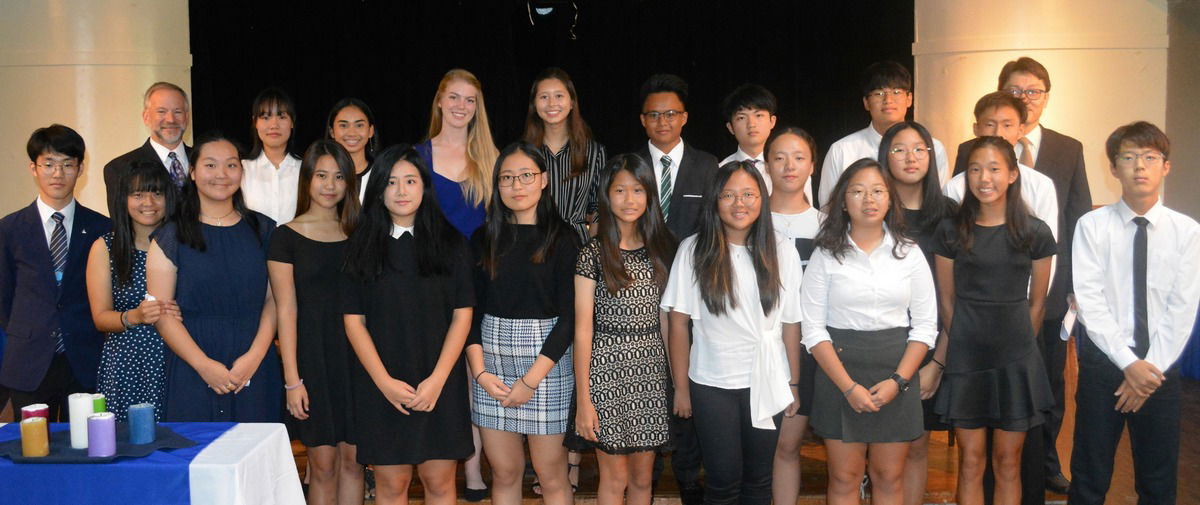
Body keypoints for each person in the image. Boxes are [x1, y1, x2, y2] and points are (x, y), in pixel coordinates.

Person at [957, 57, 1091, 497]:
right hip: (980, 308)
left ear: (1044, 100)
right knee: (985, 416)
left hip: (1043, 301)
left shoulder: (1068, 149)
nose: (1024, 98)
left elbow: (1072, 224)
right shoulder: (968, 153)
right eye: (1015, 90)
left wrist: (1065, 294)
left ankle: (1047, 466)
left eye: (1032, 91)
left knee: (1044, 393)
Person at [1069, 121, 1199, 505]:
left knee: (1158, 482)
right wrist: (1129, 363)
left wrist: (1148, 369)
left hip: (1160, 369)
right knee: (1089, 476)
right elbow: (1090, 301)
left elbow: (1183, 306)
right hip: (1103, 365)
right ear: (1113, 168)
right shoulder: (1091, 226)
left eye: (1149, 157)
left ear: (1165, 166)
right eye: (1128, 157)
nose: (1139, 166)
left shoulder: (1187, 231)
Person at [661, 160, 803, 505]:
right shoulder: (694, 250)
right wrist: (681, 388)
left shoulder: (781, 248)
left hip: (767, 379)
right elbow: (678, 324)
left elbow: (790, 324)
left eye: (748, 194)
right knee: (722, 481)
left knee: (759, 481)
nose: (739, 203)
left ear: (762, 198)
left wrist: (793, 384)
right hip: (712, 383)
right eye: (729, 195)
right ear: (714, 200)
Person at [340, 144, 474, 505]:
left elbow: (463, 315)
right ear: (379, 190)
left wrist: (438, 381)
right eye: (392, 182)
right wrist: (384, 383)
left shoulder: (452, 244)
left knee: (440, 482)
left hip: (439, 380)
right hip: (382, 384)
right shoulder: (360, 247)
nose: (401, 191)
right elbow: (354, 323)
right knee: (392, 485)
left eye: (410, 181)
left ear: (423, 187)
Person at [801, 158, 937, 505]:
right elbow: (813, 330)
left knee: (889, 477)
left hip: (896, 372)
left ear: (891, 198)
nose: (868, 199)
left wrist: (899, 382)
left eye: (877, 191)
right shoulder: (826, 254)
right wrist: (847, 387)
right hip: (839, 372)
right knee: (843, 477)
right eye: (857, 191)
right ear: (844, 201)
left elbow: (924, 328)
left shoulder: (909, 253)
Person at [932, 137, 1057, 505]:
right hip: (967, 359)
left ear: (1013, 175)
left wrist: (1017, 350)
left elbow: (1038, 305)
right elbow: (947, 300)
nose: (984, 178)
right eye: (974, 169)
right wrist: (964, 347)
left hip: (1016, 360)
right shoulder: (951, 230)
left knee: (1008, 462)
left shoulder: (1035, 232)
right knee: (970, 462)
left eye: (994, 169)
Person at [467, 143, 578, 505]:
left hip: (547, 363)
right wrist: (480, 372)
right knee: (504, 472)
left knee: (551, 475)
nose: (517, 185)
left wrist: (531, 380)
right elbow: (470, 310)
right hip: (491, 365)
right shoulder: (484, 238)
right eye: (507, 178)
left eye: (526, 176)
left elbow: (571, 317)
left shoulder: (564, 238)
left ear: (543, 180)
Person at [145, 133, 283, 422]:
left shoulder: (264, 230)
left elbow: (274, 299)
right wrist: (203, 365)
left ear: (241, 172)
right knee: (198, 458)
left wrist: (255, 355)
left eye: (231, 165)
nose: (221, 174)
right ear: (192, 173)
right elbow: (161, 312)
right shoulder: (170, 236)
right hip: (192, 363)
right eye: (210, 165)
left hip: (255, 362)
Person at [571, 154, 676, 505]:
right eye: (619, 190)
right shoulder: (593, 253)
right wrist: (584, 400)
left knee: (643, 480)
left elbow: (666, 322)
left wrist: (676, 383)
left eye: (637, 190)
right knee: (614, 479)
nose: (629, 199)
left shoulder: (663, 250)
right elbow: (583, 330)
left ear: (649, 195)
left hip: (650, 371)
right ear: (607, 195)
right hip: (606, 371)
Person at [636, 74, 716, 504]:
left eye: (670, 113)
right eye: (654, 114)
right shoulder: (629, 165)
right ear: (643, 121)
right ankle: (650, 471)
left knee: (686, 381)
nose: (663, 121)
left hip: (694, 296)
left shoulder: (708, 167)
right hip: (637, 294)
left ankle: (689, 476)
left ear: (684, 117)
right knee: (651, 383)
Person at [269, 140, 363, 505]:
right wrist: (293, 380)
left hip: (358, 360)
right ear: (307, 179)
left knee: (355, 463)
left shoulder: (360, 234)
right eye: (321, 175)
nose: (329, 184)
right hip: (313, 362)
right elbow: (285, 310)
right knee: (322, 465)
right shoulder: (285, 237)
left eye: (339, 176)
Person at [0, 124, 111, 421]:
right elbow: (5, 297)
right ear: (33, 168)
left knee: (89, 448)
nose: (58, 174)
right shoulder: (9, 229)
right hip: (29, 360)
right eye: (48, 164)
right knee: (32, 454)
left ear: (81, 168)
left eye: (67, 165)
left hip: (86, 358)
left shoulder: (102, 228)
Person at [877, 121, 958, 505]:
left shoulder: (952, 215)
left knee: (917, 446)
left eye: (919, 149)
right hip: (875, 342)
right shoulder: (871, 206)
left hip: (930, 348)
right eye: (899, 149)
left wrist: (939, 362)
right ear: (884, 156)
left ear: (931, 156)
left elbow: (956, 300)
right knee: (875, 453)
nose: (910, 157)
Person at [86, 161, 179, 421]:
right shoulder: (105, 248)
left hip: (176, 358)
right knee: (127, 445)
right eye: (138, 194)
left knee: (177, 442)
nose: (148, 202)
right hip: (126, 362)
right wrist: (134, 316)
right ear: (124, 199)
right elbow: (100, 317)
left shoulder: (184, 244)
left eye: (156, 193)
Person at [762, 126, 823, 505]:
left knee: (787, 446)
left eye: (799, 157)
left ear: (812, 166)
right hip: (757, 348)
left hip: (806, 350)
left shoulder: (827, 224)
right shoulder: (748, 219)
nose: (789, 165)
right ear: (766, 164)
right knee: (758, 447)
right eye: (779, 157)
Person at [817, 62, 949, 208]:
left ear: (909, 98)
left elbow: (939, 202)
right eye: (879, 93)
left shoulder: (932, 148)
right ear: (866, 102)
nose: (888, 100)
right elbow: (828, 210)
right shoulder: (841, 150)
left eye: (896, 92)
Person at [943, 92, 1059, 248]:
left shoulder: (1041, 185)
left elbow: (1046, 249)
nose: (998, 133)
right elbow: (949, 245)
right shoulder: (955, 187)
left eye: (1007, 125)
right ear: (976, 129)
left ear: (1021, 130)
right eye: (990, 125)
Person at [522, 67, 607, 245]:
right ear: (534, 104)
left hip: (577, 247)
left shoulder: (593, 152)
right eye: (544, 97)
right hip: (532, 244)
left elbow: (598, 208)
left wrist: (592, 255)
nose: (552, 103)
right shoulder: (523, 153)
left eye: (559, 96)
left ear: (571, 102)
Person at [417, 68, 500, 240]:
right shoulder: (417, 156)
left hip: (480, 261)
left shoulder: (492, 156)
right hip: (434, 262)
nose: (461, 106)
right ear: (440, 100)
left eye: (469, 100)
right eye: (453, 97)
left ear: (476, 107)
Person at [103, 82, 193, 214]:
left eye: (177, 112)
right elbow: (122, 227)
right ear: (146, 117)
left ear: (187, 117)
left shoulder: (205, 162)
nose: (170, 119)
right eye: (161, 112)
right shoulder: (119, 168)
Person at [720, 83, 803, 200]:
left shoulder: (791, 168)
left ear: (772, 121)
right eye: (742, 117)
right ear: (730, 127)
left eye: (758, 115)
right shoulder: (721, 170)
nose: (751, 124)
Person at [242, 87, 303, 224]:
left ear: (292, 122)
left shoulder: (306, 169)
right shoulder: (242, 169)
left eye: (282, 117)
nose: (274, 125)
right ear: (255, 123)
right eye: (265, 117)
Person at [326, 98, 380, 202]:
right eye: (343, 125)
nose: (351, 133)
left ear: (370, 131)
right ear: (332, 131)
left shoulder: (382, 173)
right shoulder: (320, 174)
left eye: (359, 125)